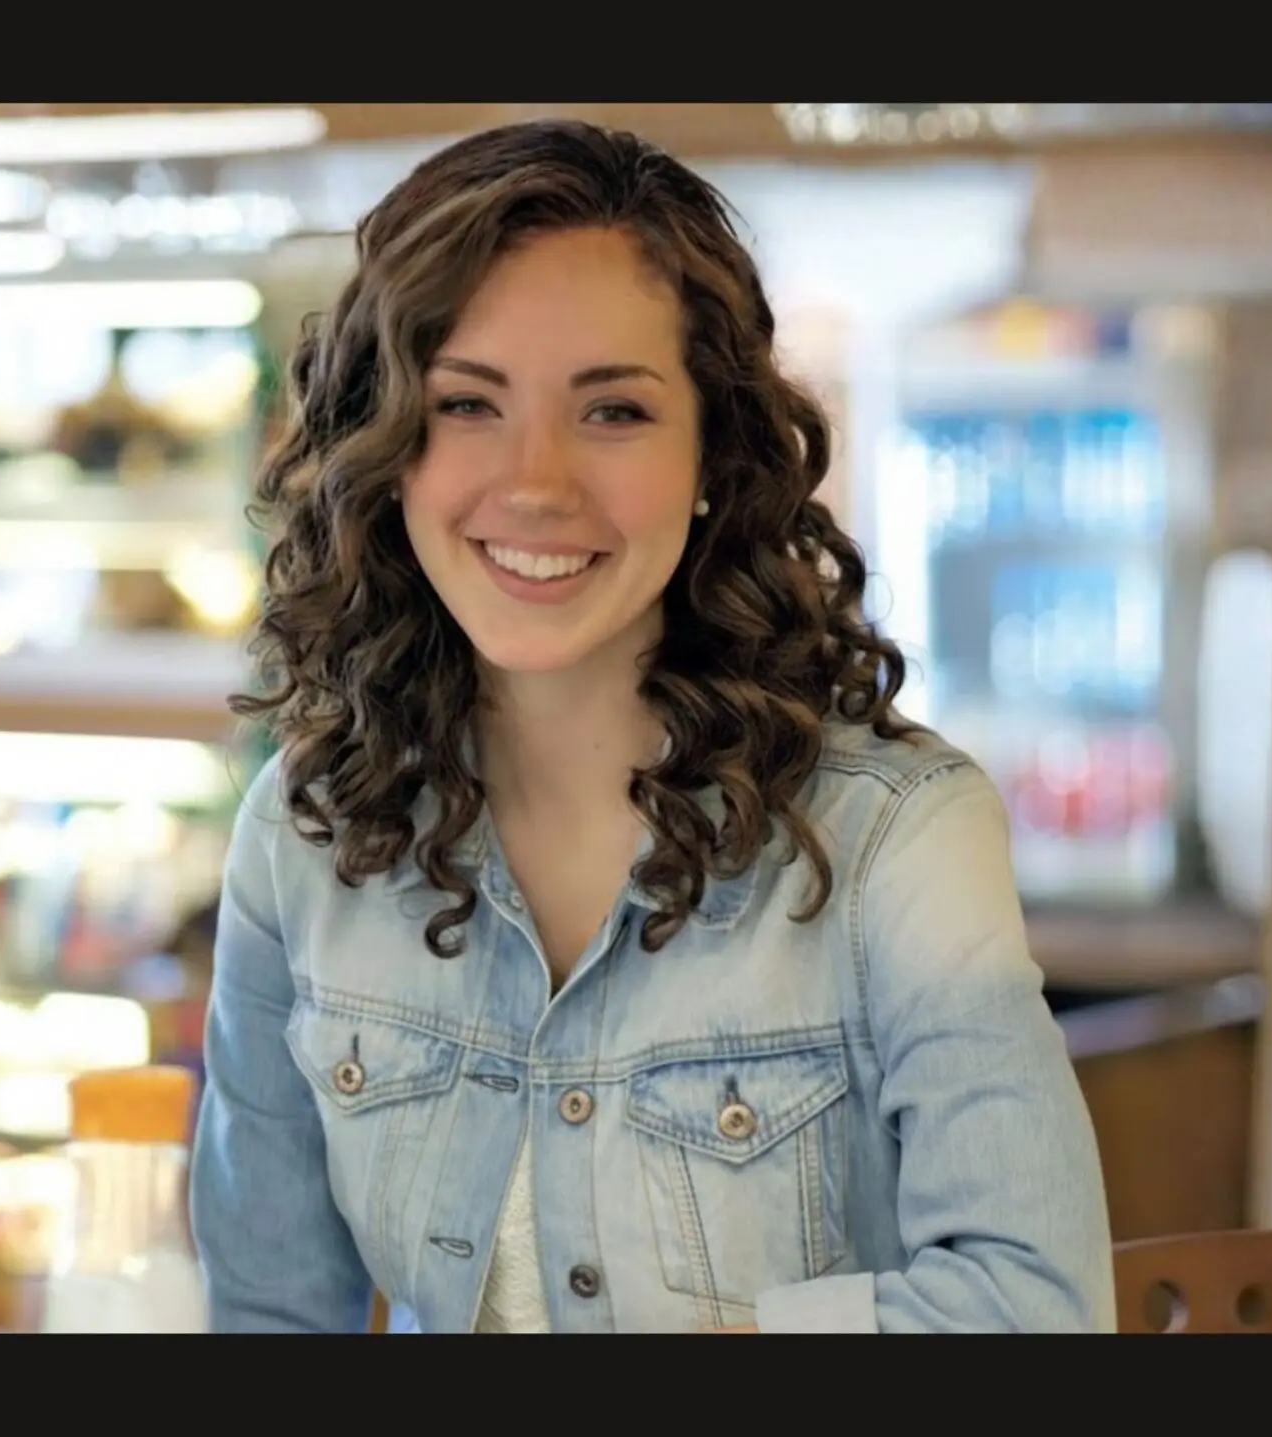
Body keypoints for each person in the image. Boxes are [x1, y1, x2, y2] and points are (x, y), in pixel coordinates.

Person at [188, 120, 1115, 1334]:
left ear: (711, 457)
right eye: (467, 403)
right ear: (388, 450)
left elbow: (1033, 1310)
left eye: (612, 412)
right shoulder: (305, 836)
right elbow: (270, 1316)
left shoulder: (896, 837)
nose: (535, 484)